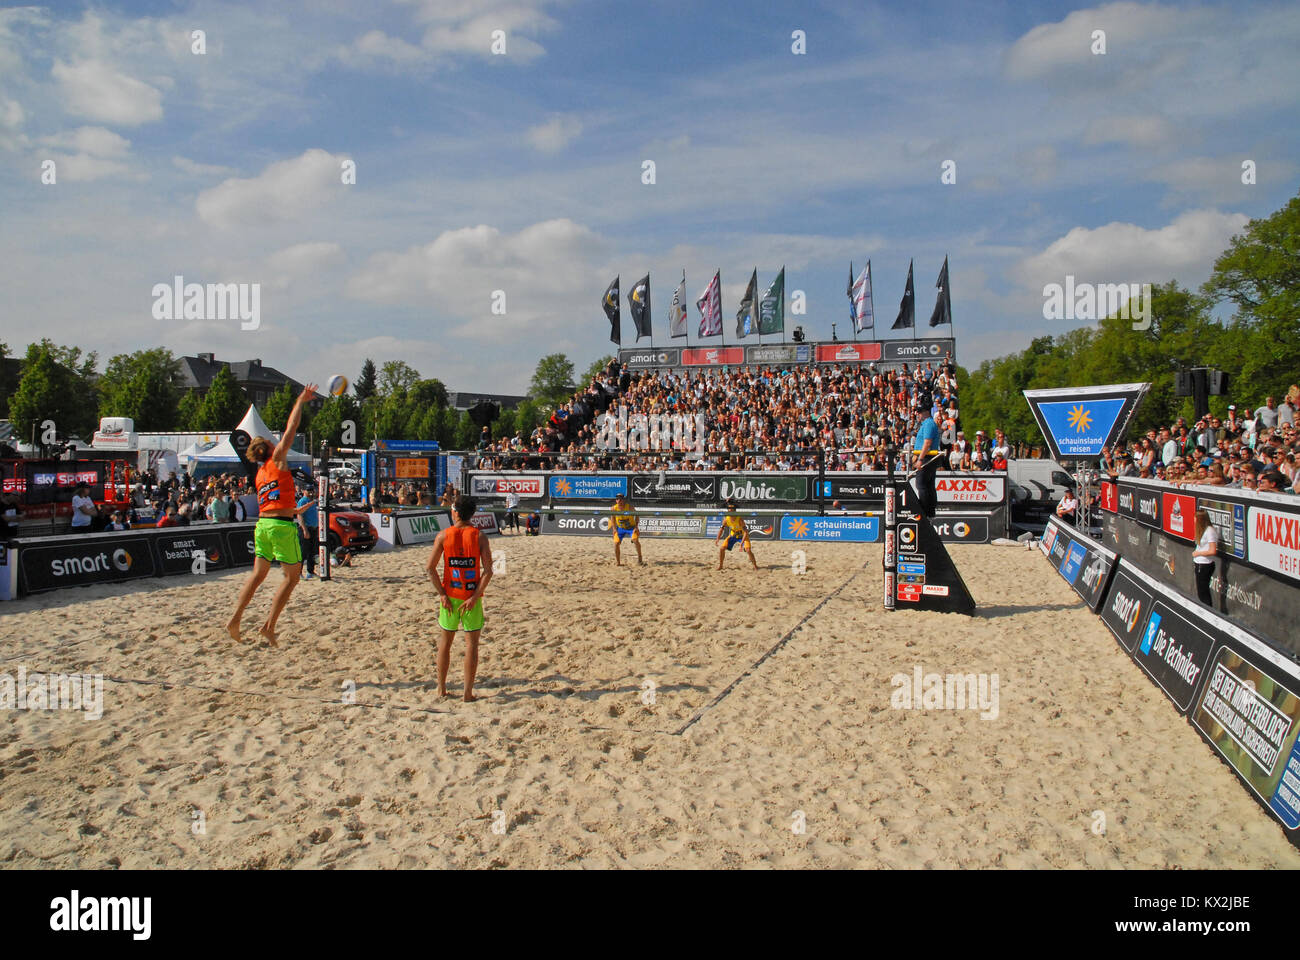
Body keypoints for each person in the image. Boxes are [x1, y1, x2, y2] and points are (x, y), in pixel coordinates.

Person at [226, 382, 317, 646]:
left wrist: (295, 510)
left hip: (263, 526)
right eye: (269, 440)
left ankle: (235, 620)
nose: (273, 440)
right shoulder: (276, 458)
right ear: (267, 447)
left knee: (257, 576)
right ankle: (268, 627)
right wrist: (300, 401)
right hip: (279, 528)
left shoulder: (260, 474)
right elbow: (292, 429)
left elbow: (274, 503)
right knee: (292, 577)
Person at [426, 496, 493, 702]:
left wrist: (442, 595)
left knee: (445, 642)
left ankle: (441, 689)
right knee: (471, 644)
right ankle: (467, 693)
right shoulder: (479, 536)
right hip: (470, 598)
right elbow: (488, 571)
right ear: (472, 514)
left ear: (455, 512)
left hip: (450, 597)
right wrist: (474, 597)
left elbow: (430, 569)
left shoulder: (444, 536)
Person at [715, 498, 759, 571]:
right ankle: (721, 565)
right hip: (733, 536)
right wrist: (717, 538)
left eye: (732, 509)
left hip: (743, 536)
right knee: (722, 549)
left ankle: (755, 566)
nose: (730, 510)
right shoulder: (726, 519)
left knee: (748, 550)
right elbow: (721, 529)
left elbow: (746, 532)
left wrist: (741, 543)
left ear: (734, 510)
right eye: (729, 509)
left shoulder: (739, 519)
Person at [1191, 508, 1218, 606]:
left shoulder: (1210, 531)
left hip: (1204, 565)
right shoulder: (1202, 530)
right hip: (1199, 564)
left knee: (1203, 593)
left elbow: (1212, 550)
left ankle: (1208, 611)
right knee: (1201, 592)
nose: (1194, 520)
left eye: (1195, 518)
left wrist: (1198, 553)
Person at [610, 493, 644, 566]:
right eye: (617, 499)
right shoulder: (613, 508)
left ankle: (640, 558)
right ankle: (618, 562)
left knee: (635, 540)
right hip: (620, 528)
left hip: (631, 528)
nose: (619, 501)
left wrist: (636, 527)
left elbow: (637, 515)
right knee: (616, 543)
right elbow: (612, 518)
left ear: (623, 500)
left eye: (620, 499)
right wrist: (614, 529)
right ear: (616, 500)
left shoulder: (629, 507)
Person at [296, 483, 319, 580]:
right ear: (304, 491)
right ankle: (299, 572)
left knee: (312, 552)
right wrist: (305, 530)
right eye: (308, 490)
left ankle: (310, 571)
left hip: (313, 528)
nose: (310, 492)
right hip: (306, 528)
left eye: (311, 490)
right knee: (303, 552)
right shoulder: (303, 501)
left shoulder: (312, 501)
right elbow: (299, 515)